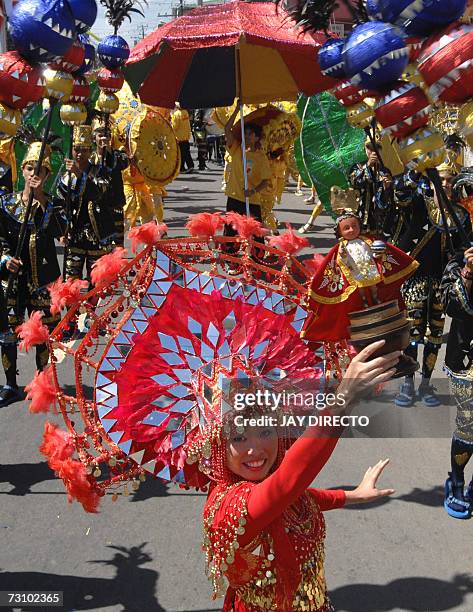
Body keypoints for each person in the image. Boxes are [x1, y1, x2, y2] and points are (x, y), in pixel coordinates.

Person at [201, 340, 399, 611]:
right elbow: (288, 482)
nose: (255, 448)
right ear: (218, 446)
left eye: (265, 431)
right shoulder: (227, 507)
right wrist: (342, 401)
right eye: (238, 437)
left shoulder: (271, 492)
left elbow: (301, 498)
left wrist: (352, 495)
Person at [393, 161, 470, 407]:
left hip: (441, 283)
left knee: (435, 335)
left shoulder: (462, 215)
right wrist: (415, 172)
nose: (445, 185)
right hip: (415, 280)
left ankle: (426, 384)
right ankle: (408, 381)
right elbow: (400, 195)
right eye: (441, 179)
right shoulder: (420, 204)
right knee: (413, 332)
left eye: (450, 180)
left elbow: (463, 250)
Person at [0, 142, 65, 407]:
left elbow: (63, 233)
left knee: (44, 335)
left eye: (40, 170)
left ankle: (42, 381)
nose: (33, 173)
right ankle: (10, 385)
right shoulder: (5, 203)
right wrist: (5, 259)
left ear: (47, 175)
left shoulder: (53, 207)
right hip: (14, 279)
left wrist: (41, 199)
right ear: (22, 170)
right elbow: (1, 237)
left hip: (44, 279)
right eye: (29, 168)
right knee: (8, 334)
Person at [302, 212, 418, 343]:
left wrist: (379, 253)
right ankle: (364, 304)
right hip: (356, 273)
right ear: (339, 232)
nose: (351, 230)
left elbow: (379, 250)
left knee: (374, 288)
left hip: (370, 270)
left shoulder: (367, 240)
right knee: (361, 291)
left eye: (354, 226)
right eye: (346, 228)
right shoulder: (341, 247)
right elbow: (335, 262)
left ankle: (376, 301)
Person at [440, 245, 473, 519]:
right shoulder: (460, 260)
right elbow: (453, 306)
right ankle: (458, 482)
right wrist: (469, 275)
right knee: (468, 427)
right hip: (468, 360)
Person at [223, 104, 271, 236]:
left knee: (255, 233)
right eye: (246, 133)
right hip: (234, 197)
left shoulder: (261, 157)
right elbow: (227, 129)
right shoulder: (237, 148)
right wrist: (237, 111)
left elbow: (266, 181)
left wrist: (252, 191)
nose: (247, 136)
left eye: (251, 134)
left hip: (251, 200)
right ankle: (230, 256)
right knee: (230, 232)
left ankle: (256, 257)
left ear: (257, 138)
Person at [90, 123, 129, 246]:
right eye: (100, 135)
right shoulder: (90, 158)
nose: (103, 139)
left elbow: (124, 164)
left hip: (115, 203)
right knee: (99, 241)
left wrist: (108, 152)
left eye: (106, 136)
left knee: (117, 241)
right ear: (93, 138)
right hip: (97, 206)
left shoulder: (118, 155)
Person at [350, 140, 393, 236]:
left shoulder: (385, 171)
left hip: (377, 221)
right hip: (359, 217)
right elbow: (355, 183)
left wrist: (386, 189)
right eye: (370, 148)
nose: (373, 151)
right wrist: (368, 165)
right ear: (365, 149)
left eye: (377, 148)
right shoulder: (357, 167)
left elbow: (388, 199)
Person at [171, 102, 195, 173]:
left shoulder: (176, 114)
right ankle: (190, 166)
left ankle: (182, 168)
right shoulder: (185, 113)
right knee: (186, 152)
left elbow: (174, 127)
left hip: (179, 137)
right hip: (186, 136)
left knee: (181, 154)